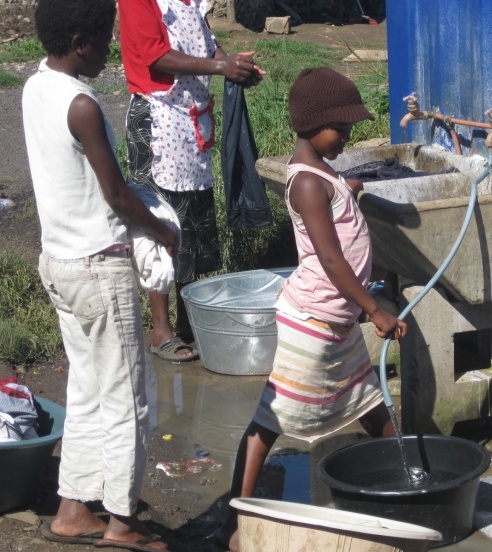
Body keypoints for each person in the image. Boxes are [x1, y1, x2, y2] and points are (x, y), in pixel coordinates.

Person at [217, 67, 408, 551]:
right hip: (314, 323)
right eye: (339, 130)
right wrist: (375, 309)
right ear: (311, 123)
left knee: (368, 403)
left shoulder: (323, 172)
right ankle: (238, 520)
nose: (346, 137)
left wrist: (352, 188)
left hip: (334, 322)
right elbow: (329, 258)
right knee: (269, 423)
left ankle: (408, 476)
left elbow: (335, 199)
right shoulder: (306, 183)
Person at [23, 1, 177, 550]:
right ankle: (122, 523)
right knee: (127, 396)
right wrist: (162, 231)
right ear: (81, 39)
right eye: (106, 39)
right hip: (97, 266)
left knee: (88, 389)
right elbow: (114, 193)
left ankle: (72, 511)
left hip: (59, 263)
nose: (111, 49)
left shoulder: (34, 87)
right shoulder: (82, 105)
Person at [118, 0, 265, 362]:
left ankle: (189, 320)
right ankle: (161, 330)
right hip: (158, 115)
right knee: (161, 222)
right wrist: (221, 66)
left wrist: (235, 66)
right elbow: (156, 57)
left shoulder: (189, 1)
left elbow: (205, 41)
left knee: (194, 220)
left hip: (188, 118)